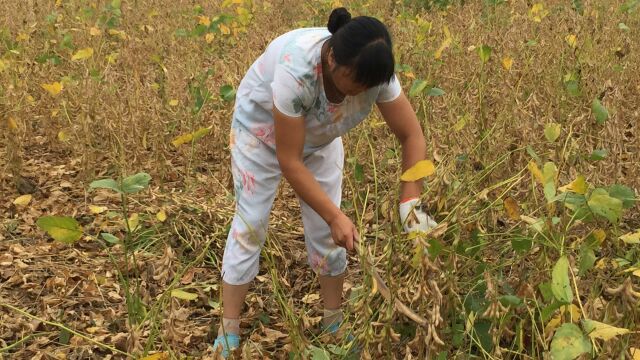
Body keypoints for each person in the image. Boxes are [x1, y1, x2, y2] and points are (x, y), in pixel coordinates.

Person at [213, 7, 437, 357]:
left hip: (321, 137)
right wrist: (335, 215)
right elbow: (289, 160)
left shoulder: (377, 75)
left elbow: (412, 137)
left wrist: (411, 204)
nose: (358, 95)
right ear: (331, 58)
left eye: (367, 89)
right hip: (260, 133)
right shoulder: (296, 71)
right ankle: (228, 330)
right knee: (251, 223)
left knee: (327, 234)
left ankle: (333, 320)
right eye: (353, 84)